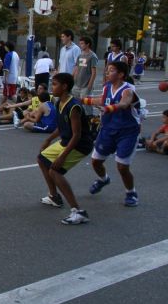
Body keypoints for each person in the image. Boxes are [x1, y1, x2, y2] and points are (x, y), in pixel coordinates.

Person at [36, 73, 95, 224]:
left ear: (64, 86)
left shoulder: (73, 106)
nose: (52, 87)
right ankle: (54, 197)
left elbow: (77, 135)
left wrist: (62, 156)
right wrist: (48, 139)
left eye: (54, 84)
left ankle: (78, 211)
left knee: (54, 171)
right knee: (42, 159)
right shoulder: (58, 102)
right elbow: (62, 127)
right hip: (66, 140)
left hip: (79, 144)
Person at [83, 61, 142, 207]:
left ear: (121, 74)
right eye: (107, 70)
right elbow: (101, 100)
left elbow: (124, 103)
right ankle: (103, 179)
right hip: (108, 130)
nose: (107, 73)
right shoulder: (107, 87)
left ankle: (131, 192)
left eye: (111, 70)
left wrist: (109, 108)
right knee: (96, 161)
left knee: (122, 166)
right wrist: (82, 100)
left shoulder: (128, 90)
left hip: (127, 132)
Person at [72, 36, 98, 115]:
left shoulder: (92, 56)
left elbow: (94, 72)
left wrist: (89, 85)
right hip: (77, 84)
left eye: (82, 43)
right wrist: (72, 78)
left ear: (88, 44)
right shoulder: (80, 55)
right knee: (76, 104)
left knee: (86, 105)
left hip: (86, 85)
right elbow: (76, 68)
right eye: (80, 43)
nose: (80, 45)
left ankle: (89, 119)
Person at [1, 41, 20, 106]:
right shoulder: (16, 54)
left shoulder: (8, 55)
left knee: (12, 94)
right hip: (14, 76)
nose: (4, 47)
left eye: (5, 46)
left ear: (7, 47)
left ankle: (20, 105)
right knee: (6, 94)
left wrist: (5, 78)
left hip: (9, 77)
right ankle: (1, 108)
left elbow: (6, 67)